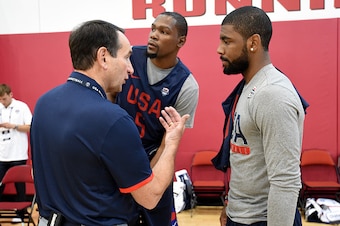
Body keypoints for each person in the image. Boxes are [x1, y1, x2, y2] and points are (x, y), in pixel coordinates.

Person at [30, 20, 189, 226]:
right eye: (127, 57)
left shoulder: (43, 103)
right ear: (103, 57)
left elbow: (37, 172)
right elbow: (149, 198)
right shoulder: (113, 119)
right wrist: (171, 143)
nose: (131, 69)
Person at [214, 6, 307, 226]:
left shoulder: (272, 94)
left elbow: (286, 182)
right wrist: (231, 205)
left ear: (253, 43)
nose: (219, 49)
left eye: (227, 41)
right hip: (241, 215)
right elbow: (246, 160)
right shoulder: (250, 86)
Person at [115, 11, 199, 226]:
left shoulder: (186, 85)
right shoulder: (130, 57)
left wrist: (147, 180)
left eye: (163, 32)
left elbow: (168, 142)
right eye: (153, 29)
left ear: (181, 41)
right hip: (116, 154)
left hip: (153, 159)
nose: (154, 35)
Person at [0, 84, 32, 222]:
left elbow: (30, 126)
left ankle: (20, 214)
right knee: (0, 183)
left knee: (20, 185)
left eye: (5, 99)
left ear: (11, 95)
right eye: (0, 100)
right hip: (2, 154)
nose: (3, 102)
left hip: (18, 153)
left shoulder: (22, 107)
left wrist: (13, 126)